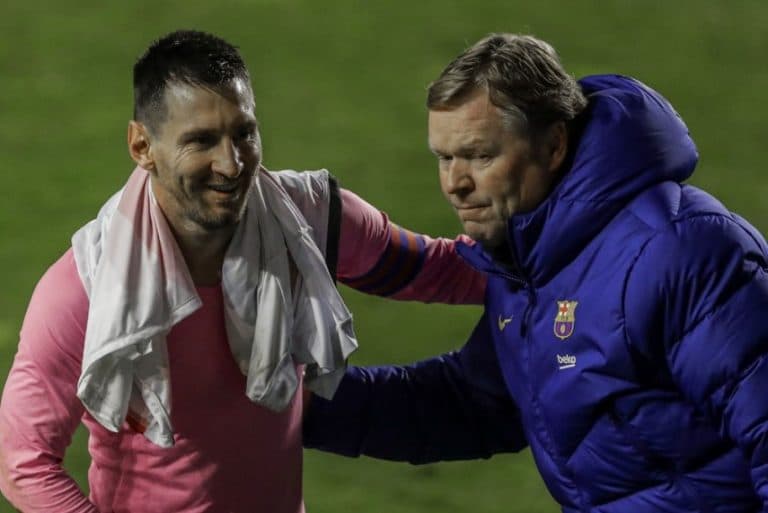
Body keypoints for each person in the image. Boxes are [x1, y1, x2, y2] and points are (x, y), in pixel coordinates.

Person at [0, 30, 486, 513]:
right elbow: (22, 462)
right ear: (142, 146)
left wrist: (537, 258)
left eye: (243, 134)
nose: (231, 165)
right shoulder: (87, 287)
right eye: (202, 141)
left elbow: (445, 270)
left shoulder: (308, 220)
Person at [303, 33, 768, 512]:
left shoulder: (682, 253)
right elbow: (477, 402)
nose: (455, 184)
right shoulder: (531, 261)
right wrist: (306, 404)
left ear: (553, 145)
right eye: (444, 158)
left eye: (480, 156)